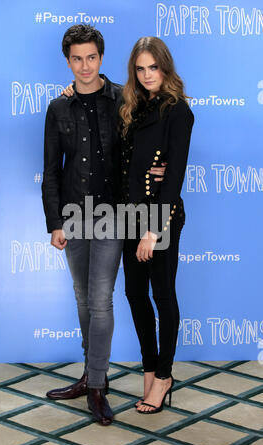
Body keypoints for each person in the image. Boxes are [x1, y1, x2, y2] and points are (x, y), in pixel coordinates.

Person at [41, 25, 165, 425]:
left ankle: (96, 386)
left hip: (114, 213)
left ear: (101, 58)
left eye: (91, 57)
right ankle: (92, 374)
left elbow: (157, 129)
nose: (84, 66)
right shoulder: (58, 107)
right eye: (76, 59)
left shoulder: (124, 99)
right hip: (74, 216)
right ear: (68, 62)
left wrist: (161, 167)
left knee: (99, 300)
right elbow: (51, 171)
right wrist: (55, 222)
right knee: (81, 298)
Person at [119, 36, 194, 414]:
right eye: (140, 68)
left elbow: (175, 174)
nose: (148, 74)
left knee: (163, 295)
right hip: (127, 215)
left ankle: (164, 376)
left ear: (165, 67)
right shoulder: (132, 104)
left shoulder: (178, 111)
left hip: (159, 217)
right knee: (134, 294)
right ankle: (149, 369)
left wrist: (153, 230)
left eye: (153, 67)